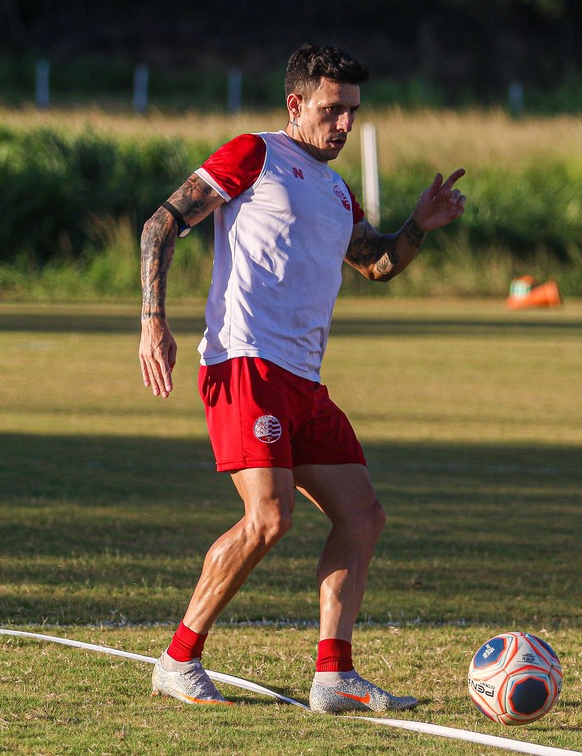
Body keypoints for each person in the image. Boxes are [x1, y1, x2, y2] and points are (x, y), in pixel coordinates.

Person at [138, 43, 466, 713]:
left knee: (363, 517)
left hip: (304, 382)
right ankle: (178, 660)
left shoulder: (338, 191)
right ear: (296, 104)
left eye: (353, 112)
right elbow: (162, 222)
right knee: (269, 518)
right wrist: (153, 320)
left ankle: (333, 676)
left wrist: (418, 225)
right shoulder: (254, 154)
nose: (344, 124)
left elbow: (376, 264)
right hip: (245, 365)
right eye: (332, 110)